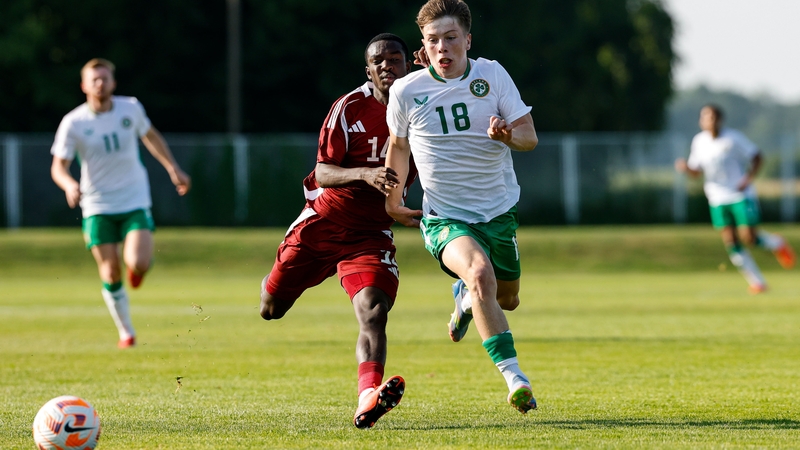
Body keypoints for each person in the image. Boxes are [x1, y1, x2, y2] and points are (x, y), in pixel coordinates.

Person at [384, 0, 539, 414]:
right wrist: (393, 198)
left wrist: (507, 136)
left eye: (451, 38)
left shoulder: (492, 74)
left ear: (468, 40)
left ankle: (466, 301)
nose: (442, 48)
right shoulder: (406, 91)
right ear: (424, 45)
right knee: (478, 272)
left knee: (507, 299)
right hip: (445, 218)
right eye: (433, 40)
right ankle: (515, 378)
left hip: (498, 211)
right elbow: (398, 147)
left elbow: (529, 136)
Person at [259, 33, 417, 429]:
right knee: (271, 308)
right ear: (369, 71)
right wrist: (365, 173)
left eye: (394, 59)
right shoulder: (349, 107)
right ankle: (282, 278)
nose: (387, 66)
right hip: (324, 222)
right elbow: (324, 170)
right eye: (378, 61)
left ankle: (368, 397)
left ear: (408, 64)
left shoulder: (425, 105)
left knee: (373, 311)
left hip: (371, 233)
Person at [51, 58, 191, 348]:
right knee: (110, 271)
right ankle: (126, 332)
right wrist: (69, 184)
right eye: (94, 79)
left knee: (138, 263)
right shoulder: (73, 122)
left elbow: (151, 137)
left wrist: (173, 168)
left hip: (134, 199)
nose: (100, 84)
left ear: (113, 83)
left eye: (105, 78)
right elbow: (58, 167)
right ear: (84, 85)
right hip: (97, 205)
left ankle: (136, 271)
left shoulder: (131, 108)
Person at [675, 104, 795, 293]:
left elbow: (757, 156)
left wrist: (747, 179)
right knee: (731, 241)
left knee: (749, 237)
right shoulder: (699, 141)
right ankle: (757, 282)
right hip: (716, 197)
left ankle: (777, 243)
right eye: (704, 117)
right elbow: (696, 172)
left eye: (711, 117)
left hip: (740, 195)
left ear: (719, 120)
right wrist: (686, 169)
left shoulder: (733, 138)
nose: (708, 121)